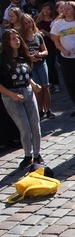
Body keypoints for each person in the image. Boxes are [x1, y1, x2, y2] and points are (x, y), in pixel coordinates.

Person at [0, 29, 44, 169]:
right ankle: (27, 154)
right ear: (7, 42)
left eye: (17, 37)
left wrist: (34, 84)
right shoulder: (2, 59)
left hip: (27, 91)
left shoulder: (23, 56)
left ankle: (37, 154)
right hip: (11, 95)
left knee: (35, 125)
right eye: (13, 38)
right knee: (24, 128)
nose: (17, 40)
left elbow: (27, 75)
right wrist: (11, 95)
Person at [21, 15, 53, 120]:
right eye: (25, 23)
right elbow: (21, 54)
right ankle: (40, 110)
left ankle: (49, 109)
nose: (27, 25)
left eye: (29, 22)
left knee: (45, 87)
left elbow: (45, 51)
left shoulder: (38, 36)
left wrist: (39, 54)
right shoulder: (22, 38)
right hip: (30, 66)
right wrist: (30, 57)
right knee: (37, 88)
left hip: (41, 63)